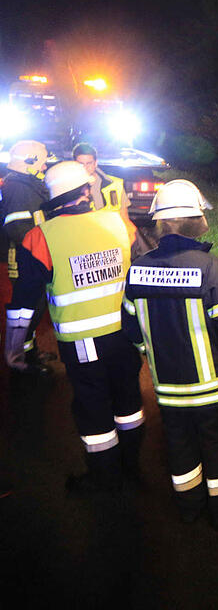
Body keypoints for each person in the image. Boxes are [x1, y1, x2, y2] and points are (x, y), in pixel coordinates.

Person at [121, 179, 218, 529]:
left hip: (169, 391)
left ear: (160, 222)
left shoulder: (138, 269)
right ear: (196, 220)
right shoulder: (213, 269)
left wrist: (152, 358)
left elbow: (133, 330)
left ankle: (189, 508)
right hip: (216, 389)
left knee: (180, 449)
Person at [6, 161, 143, 492]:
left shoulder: (39, 238)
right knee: (128, 403)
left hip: (83, 344)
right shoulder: (120, 224)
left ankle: (104, 478)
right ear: (86, 190)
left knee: (93, 408)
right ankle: (131, 468)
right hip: (126, 337)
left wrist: (13, 348)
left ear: (53, 198)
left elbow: (25, 303)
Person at [1, 140, 52, 373]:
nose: (43, 168)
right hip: (23, 260)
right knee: (23, 311)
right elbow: (17, 228)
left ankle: (29, 352)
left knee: (34, 307)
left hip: (32, 258)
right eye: (41, 164)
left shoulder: (25, 185)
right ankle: (17, 359)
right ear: (29, 163)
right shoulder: (19, 188)